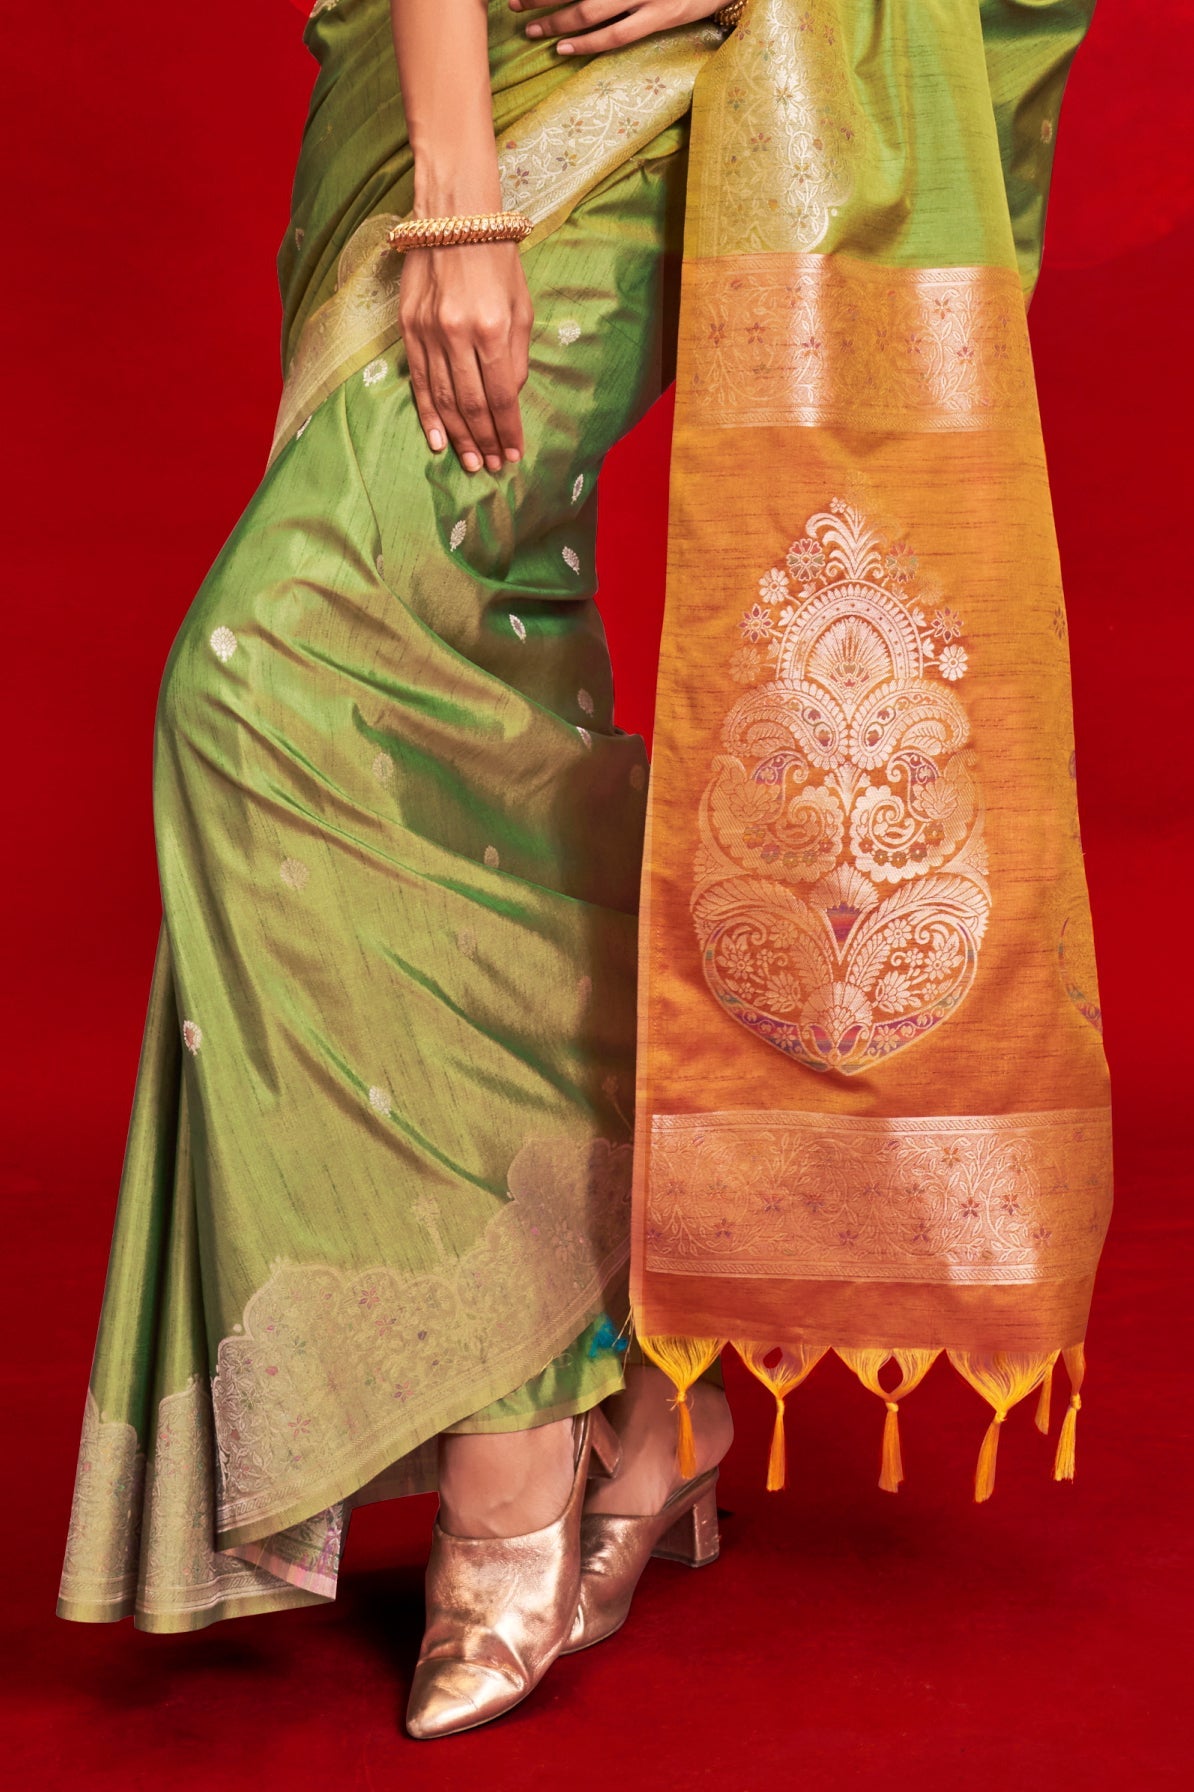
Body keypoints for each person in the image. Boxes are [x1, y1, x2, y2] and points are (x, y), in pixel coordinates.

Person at [58, 0, 1111, 1744]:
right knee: (436, 669)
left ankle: (520, 1418)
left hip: (688, 85)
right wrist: (457, 199)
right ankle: (636, 1388)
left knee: (291, 660)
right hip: (445, 82)